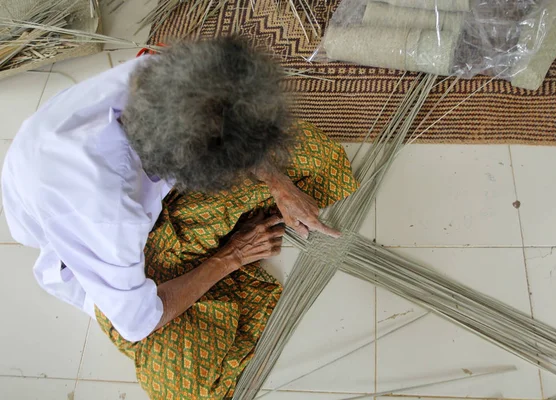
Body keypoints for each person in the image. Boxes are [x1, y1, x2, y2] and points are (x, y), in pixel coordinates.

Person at [1, 36, 357, 399]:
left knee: (310, 151)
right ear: (188, 174)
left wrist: (278, 184)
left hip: (148, 190)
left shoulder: (168, 76)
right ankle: (212, 256)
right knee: (181, 385)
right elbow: (140, 322)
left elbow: (227, 120)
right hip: (105, 259)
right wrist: (232, 255)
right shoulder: (104, 215)